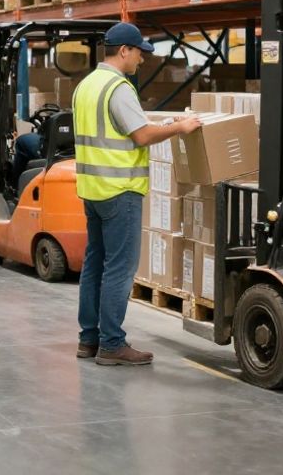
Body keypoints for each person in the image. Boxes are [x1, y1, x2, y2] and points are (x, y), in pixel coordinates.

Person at [73, 22, 201, 367]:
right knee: (120, 267)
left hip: (92, 188)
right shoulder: (119, 87)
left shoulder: (86, 85)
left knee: (94, 263)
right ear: (124, 51)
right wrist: (180, 127)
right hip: (120, 189)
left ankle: (89, 339)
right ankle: (112, 343)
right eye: (139, 53)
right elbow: (141, 136)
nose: (142, 60)